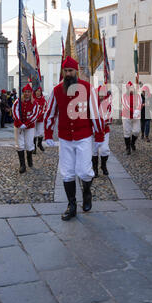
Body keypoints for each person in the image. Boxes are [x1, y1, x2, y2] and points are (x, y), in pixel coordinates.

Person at [44, 56, 103, 221]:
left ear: (76, 72)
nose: (68, 74)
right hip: (65, 138)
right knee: (67, 172)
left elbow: (96, 113)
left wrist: (99, 134)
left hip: (84, 135)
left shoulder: (87, 88)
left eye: (71, 71)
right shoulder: (56, 90)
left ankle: (87, 192)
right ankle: (71, 205)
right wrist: (48, 133)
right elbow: (50, 112)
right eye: (66, 71)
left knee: (84, 171)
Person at [12, 84, 39, 174]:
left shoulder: (34, 103)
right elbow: (14, 112)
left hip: (29, 127)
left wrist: (26, 124)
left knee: (29, 143)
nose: (27, 93)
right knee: (19, 144)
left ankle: (29, 158)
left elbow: (35, 115)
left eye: (28, 92)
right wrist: (20, 123)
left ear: (31, 93)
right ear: (23, 93)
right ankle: (22, 164)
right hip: (18, 126)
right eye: (25, 92)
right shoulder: (18, 101)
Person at [92, 85, 112, 177]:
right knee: (94, 150)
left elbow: (109, 116)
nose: (101, 96)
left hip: (104, 130)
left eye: (102, 95)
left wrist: (104, 122)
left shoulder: (108, 104)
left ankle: (103, 166)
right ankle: (95, 169)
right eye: (99, 94)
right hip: (93, 131)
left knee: (104, 149)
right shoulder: (92, 104)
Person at [122, 81, 142, 155]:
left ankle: (132, 142)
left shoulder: (138, 96)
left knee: (136, 131)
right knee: (127, 131)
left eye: (132, 87)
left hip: (136, 116)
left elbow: (140, 103)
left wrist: (138, 110)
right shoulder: (124, 96)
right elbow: (125, 105)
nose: (132, 89)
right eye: (130, 87)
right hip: (126, 116)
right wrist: (134, 111)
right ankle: (128, 147)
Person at [33, 86, 47, 153]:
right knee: (33, 133)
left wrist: (39, 115)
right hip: (33, 119)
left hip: (40, 118)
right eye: (37, 91)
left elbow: (44, 109)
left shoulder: (43, 100)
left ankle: (39, 144)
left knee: (41, 132)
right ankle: (34, 147)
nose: (38, 92)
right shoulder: (32, 99)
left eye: (39, 91)